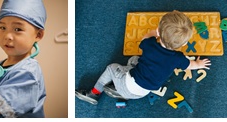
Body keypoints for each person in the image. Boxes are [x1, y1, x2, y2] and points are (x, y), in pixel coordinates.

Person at [74, 10, 211, 105]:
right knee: (134, 60)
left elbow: (145, 38)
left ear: (159, 30)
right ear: (184, 43)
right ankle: (117, 90)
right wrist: (199, 64)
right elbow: (190, 65)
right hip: (142, 93)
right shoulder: (178, 58)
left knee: (112, 68)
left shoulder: (149, 44)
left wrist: (154, 33)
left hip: (128, 84)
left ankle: (94, 93)